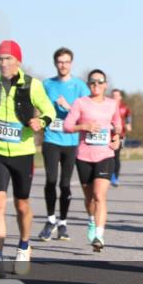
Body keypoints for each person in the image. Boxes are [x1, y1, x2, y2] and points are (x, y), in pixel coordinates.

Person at [0, 40, 56, 277]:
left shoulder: (33, 85)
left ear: (18, 61)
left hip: (23, 153)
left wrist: (41, 122)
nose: (3, 63)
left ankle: (23, 246)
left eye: (8, 58)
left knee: (21, 205)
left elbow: (50, 111)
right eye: (0, 58)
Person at [64, 70, 122, 251]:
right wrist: (84, 126)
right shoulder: (80, 103)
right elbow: (67, 126)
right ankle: (91, 220)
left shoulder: (112, 104)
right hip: (84, 156)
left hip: (105, 155)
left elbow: (118, 124)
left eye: (100, 81)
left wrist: (117, 137)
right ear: (88, 84)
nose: (96, 84)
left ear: (105, 85)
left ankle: (99, 235)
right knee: (89, 198)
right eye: (92, 82)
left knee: (99, 195)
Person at [39, 47, 88, 242]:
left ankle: (63, 223)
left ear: (71, 63)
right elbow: (37, 107)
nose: (63, 65)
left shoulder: (80, 86)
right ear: (55, 63)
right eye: (60, 62)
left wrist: (69, 107)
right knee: (51, 180)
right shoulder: (46, 85)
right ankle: (50, 220)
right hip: (51, 139)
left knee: (65, 184)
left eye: (67, 62)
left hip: (71, 141)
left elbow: (87, 114)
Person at [110, 88, 133, 186]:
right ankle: (107, 175)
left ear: (120, 97)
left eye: (117, 95)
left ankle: (115, 177)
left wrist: (129, 124)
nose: (115, 97)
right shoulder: (107, 106)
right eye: (113, 95)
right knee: (108, 156)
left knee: (116, 155)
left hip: (120, 134)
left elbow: (129, 116)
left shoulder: (124, 107)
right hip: (107, 134)